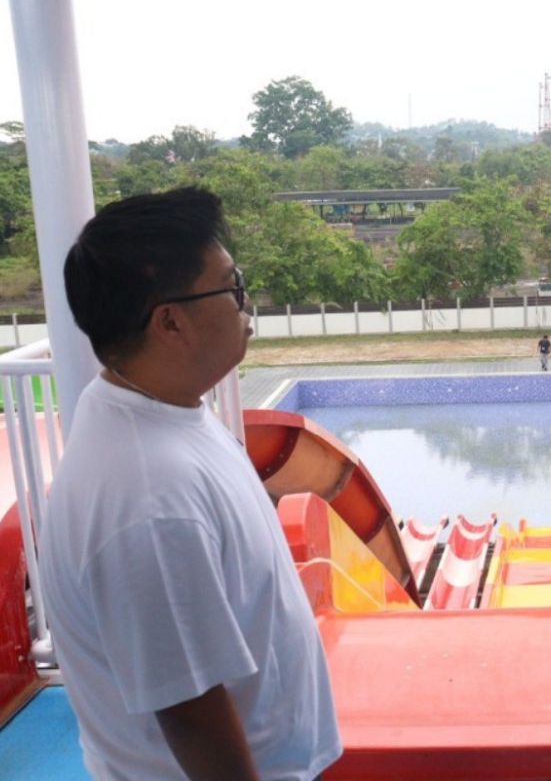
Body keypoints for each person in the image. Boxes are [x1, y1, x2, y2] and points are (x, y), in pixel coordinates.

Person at [39, 188, 341, 780]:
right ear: (171, 321)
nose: (245, 302)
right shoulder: (149, 499)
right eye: (231, 287)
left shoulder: (163, 415)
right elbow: (189, 709)